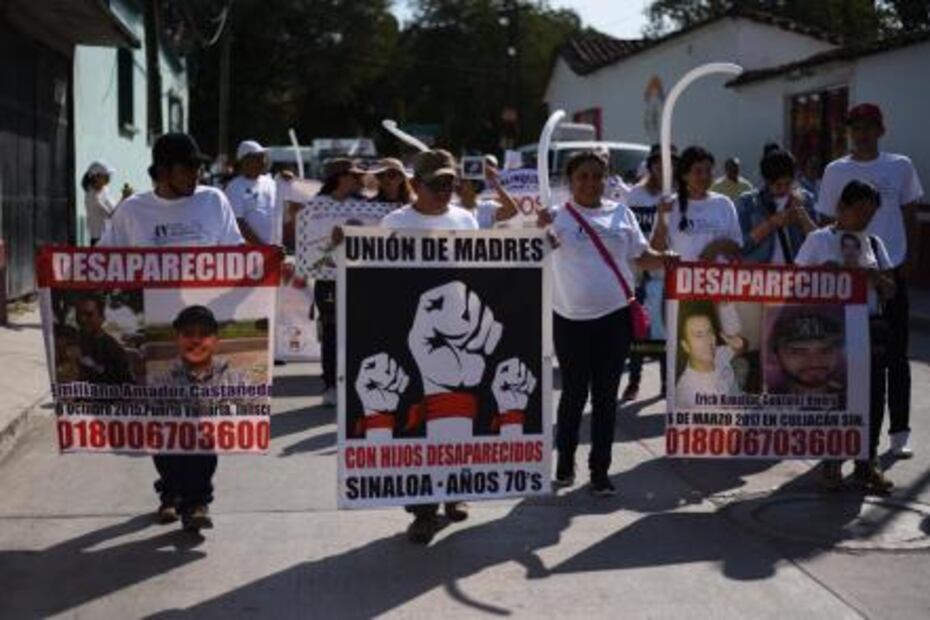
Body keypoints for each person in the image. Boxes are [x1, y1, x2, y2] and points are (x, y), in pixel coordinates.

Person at [99, 132, 244, 532]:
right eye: (188, 166)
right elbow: (104, 263)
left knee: (198, 417)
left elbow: (236, 254)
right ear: (163, 170)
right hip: (154, 331)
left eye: (199, 166)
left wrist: (268, 265)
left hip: (202, 331)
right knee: (163, 417)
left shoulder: (213, 202)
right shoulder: (132, 211)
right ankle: (171, 492)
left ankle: (197, 500)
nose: (197, 173)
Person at [537, 149, 675, 497]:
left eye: (597, 176)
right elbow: (536, 253)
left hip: (615, 319)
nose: (590, 183)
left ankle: (600, 472)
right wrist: (539, 233)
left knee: (605, 398)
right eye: (582, 176)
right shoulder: (557, 217)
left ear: (607, 179)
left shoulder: (621, 214)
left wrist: (665, 260)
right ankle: (565, 463)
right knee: (573, 395)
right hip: (570, 320)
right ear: (570, 182)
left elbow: (640, 258)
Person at [814, 103, 924, 458]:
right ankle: (844, 435)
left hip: (889, 272)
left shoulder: (900, 166)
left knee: (896, 355)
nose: (861, 133)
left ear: (881, 129)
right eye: (855, 127)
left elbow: (910, 214)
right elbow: (824, 222)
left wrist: (910, 260)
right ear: (849, 132)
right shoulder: (835, 170)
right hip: (846, 279)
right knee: (847, 357)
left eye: (868, 127)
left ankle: (900, 431)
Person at [379, 149, 478, 544]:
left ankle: (454, 491)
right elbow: (371, 276)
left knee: (456, 417)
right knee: (417, 422)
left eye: (450, 184)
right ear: (416, 185)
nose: (445, 191)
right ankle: (422, 509)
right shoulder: (395, 222)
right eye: (437, 184)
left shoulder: (466, 220)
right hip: (411, 338)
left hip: (459, 340)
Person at [796, 179, 897, 492]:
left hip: (869, 327)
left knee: (872, 397)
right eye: (859, 211)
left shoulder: (874, 244)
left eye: (870, 213)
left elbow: (891, 290)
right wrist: (822, 274)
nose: (864, 219)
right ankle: (832, 460)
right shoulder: (818, 240)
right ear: (842, 207)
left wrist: (873, 277)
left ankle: (867, 463)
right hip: (830, 330)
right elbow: (794, 283)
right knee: (835, 397)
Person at [621, 144, 675, 401]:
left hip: (669, 274)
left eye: (670, 165)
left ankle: (666, 383)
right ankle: (634, 380)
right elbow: (628, 233)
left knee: (665, 331)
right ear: (651, 166)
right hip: (640, 272)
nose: (664, 170)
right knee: (639, 331)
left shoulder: (677, 197)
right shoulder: (636, 195)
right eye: (659, 164)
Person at [313, 158, 366, 407]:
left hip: (357, 277)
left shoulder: (365, 207)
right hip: (327, 279)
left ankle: (353, 381)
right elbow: (310, 247)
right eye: (354, 176)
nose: (360, 180)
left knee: (357, 329)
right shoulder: (316, 207)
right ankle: (331, 384)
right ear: (340, 178)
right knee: (332, 331)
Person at [651, 146, 744, 263]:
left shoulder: (724, 204)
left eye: (709, 171)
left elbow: (738, 246)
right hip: (681, 279)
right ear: (685, 175)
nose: (705, 177)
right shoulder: (669, 206)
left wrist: (718, 247)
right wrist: (661, 220)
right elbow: (656, 253)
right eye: (698, 171)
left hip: (718, 279)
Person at [152, 306, 248, 412]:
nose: (196, 340)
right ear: (176, 340)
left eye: (205, 333)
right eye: (188, 333)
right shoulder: (157, 383)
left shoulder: (239, 381)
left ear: (216, 341)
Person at [736, 149, 817, 265]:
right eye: (778, 185)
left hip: (797, 274)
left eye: (788, 184)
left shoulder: (805, 199)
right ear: (766, 181)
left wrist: (802, 216)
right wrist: (771, 224)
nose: (784, 189)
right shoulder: (748, 202)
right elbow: (741, 247)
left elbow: (819, 242)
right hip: (761, 275)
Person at [675, 301, 746, 409]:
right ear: (686, 346)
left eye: (709, 332)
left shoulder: (715, 354)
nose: (708, 340)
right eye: (699, 335)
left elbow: (738, 349)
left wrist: (740, 345)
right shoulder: (692, 392)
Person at [767, 311, 844, 398]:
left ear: (839, 353)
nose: (815, 362)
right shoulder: (760, 400)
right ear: (776, 357)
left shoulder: (858, 397)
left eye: (826, 350)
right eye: (798, 352)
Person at [224, 140, 279, 245]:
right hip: (252, 252)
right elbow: (238, 222)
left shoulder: (271, 182)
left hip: (275, 249)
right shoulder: (234, 187)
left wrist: (288, 181)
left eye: (263, 157)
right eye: (258, 158)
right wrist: (262, 247)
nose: (263, 161)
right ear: (245, 160)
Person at [72, 294, 134, 385]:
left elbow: (124, 382)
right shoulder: (74, 340)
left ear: (102, 318)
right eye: (79, 314)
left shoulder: (114, 349)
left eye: (89, 315)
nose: (82, 319)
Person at [455, 155, 519, 229]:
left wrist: (493, 181)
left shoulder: (487, 208)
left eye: (463, 181)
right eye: (458, 181)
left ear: (475, 186)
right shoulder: (452, 208)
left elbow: (512, 211)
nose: (458, 185)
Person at [81, 162, 131, 245]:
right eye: (106, 175)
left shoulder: (105, 190)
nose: (109, 178)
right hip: (99, 240)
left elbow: (114, 209)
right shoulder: (93, 197)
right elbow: (111, 216)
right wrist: (123, 199)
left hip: (111, 237)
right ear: (96, 177)